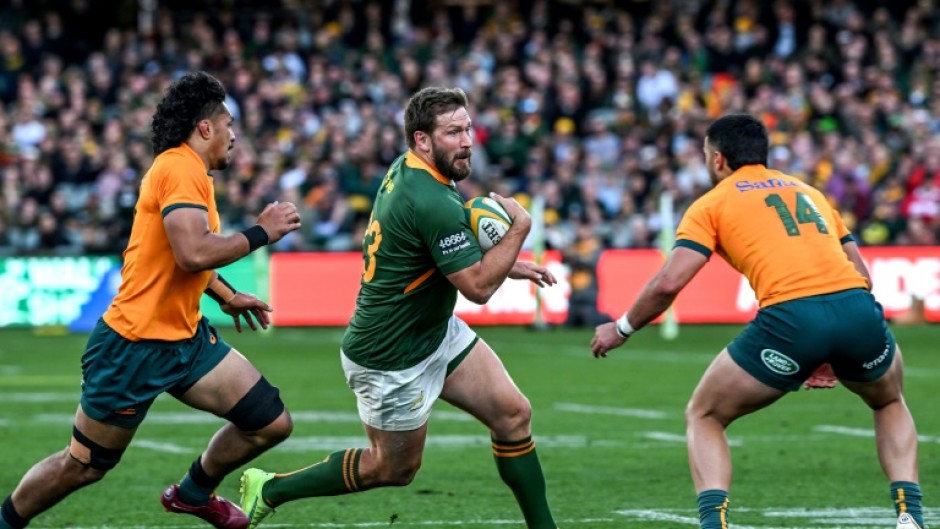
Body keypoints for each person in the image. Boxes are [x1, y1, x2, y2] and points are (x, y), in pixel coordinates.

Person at [239, 86, 561, 529]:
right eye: (453, 132)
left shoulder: (410, 168)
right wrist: (519, 229)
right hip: (390, 354)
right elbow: (478, 289)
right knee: (392, 469)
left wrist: (507, 263)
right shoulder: (430, 199)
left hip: (433, 330)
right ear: (422, 140)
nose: (467, 141)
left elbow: (437, 255)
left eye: (468, 129)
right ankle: (270, 488)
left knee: (513, 414)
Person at [590, 114, 926, 529]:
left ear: (717, 159)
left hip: (793, 319)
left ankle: (714, 524)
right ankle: (910, 516)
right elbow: (863, 276)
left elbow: (669, 283)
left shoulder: (711, 204)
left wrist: (621, 328)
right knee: (888, 401)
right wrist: (831, 348)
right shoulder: (810, 193)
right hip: (856, 309)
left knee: (705, 414)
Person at [0, 71, 302, 529]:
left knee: (269, 422)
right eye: (229, 125)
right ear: (205, 128)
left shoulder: (190, 172)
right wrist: (263, 231)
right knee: (83, 465)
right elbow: (192, 252)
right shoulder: (178, 169)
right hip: (133, 347)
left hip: (186, 340)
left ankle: (192, 494)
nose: (234, 136)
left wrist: (227, 294)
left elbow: (174, 258)